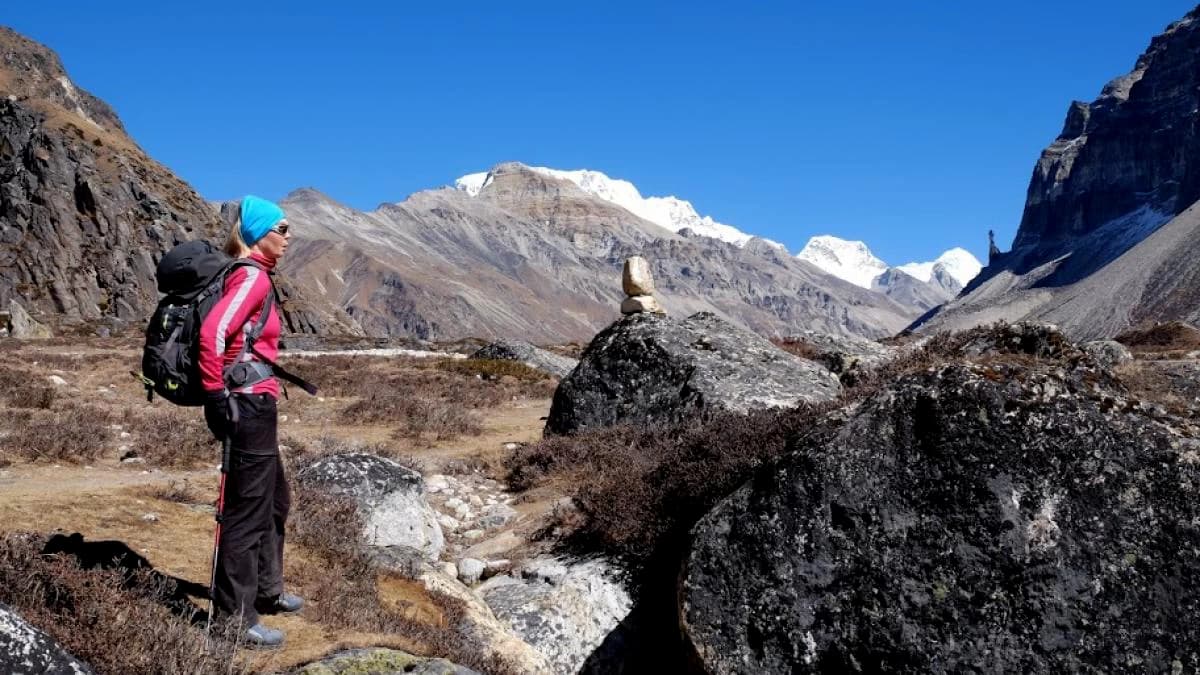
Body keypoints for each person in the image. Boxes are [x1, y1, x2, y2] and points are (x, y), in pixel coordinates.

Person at [198, 195, 300, 648]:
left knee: (275, 500)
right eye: (282, 228)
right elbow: (212, 332)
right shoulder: (250, 278)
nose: (289, 235)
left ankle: (268, 589)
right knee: (246, 512)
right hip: (246, 405)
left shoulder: (256, 277)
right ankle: (234, 620)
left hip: (256, 402)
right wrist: (215, 394)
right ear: (259, 234)